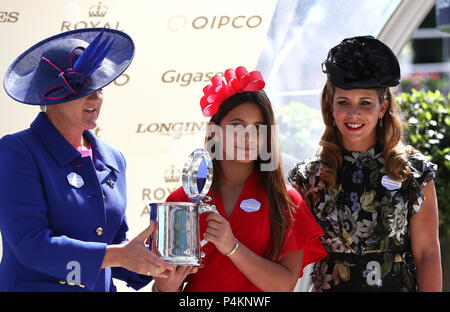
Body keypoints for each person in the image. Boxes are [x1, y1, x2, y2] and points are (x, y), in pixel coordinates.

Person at [0, 28, 173, 292]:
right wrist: (120, 255)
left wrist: (156, 263)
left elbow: (113, 245)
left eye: (100, 87)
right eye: (83, 88)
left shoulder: (113, 158)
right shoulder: (17, 151)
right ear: (51, 96)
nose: (96, 97)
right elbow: (31, 245)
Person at [152, 66, 327, 292]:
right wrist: (166, 287)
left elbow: (284, 286)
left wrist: (232, 247)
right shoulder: (181, 200)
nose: (249, 137)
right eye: (238, 126)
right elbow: (167, 282)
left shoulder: (287, 201)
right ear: (214, 131)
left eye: (258, 128)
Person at [288, 36, 442, 292]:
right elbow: (284, 257)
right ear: (330, 104)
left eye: (365, 103)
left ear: (382, 107)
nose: (353, 114)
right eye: (343, 102)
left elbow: (427, 254)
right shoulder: (308, 177)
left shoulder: (413, 172)